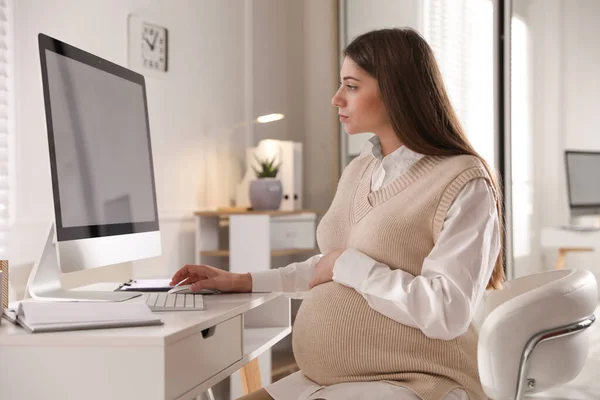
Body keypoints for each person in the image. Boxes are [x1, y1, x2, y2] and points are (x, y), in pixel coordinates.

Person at [171, 28, 503, 400]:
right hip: (330, 381)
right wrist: (242, 280)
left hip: (421, 381)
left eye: (352, 85)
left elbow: (447, 312)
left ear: (396, 91)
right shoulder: (363, 167)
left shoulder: (462, 180)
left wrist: (347, 265)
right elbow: (328, 266)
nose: (336, 98)